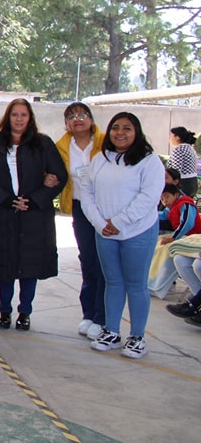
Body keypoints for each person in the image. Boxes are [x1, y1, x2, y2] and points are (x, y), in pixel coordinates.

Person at [78, 112, 164, 359]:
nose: (120, 133)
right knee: (113, 282)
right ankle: (112, 331)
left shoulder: (149, 161)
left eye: (127, 128)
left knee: (136, 285)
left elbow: (149, 197)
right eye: (115, 127)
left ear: (136, 132)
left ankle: (137, 337)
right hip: (104, 232)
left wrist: (119, 222)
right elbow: (86, 192)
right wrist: (99, 222)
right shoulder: (100, 159)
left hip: (137, 232)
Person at [0, 98, 66, 331]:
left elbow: (59, 176)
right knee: (6, 266)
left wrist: (35, 200)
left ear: (30, 118)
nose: (18, 119)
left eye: (23, 115)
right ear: (8, 117)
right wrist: (6, 199)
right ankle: (4, 311)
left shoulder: (43, 144)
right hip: (3, 215)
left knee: (29, 265)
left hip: (34, 217)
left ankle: (25, 312)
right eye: (14, 114)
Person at [54, 102, 106, 339]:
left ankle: (102, 317)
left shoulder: (105, 142)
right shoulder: (62, 146)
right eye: (72, 116)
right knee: (87, 260)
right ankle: (88, 314)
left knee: (105, 262)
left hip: (106, 208)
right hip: (80, 208)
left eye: (83, 114)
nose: (78, 119)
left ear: (91, 119)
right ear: (66, 124)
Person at [148, 183, 201, 298]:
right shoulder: (170, 208)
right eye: (162, 199)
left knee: (168, 250)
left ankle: (159, 284)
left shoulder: (185, 204)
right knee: (159, 248)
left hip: (193, 238)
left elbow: (187, 223)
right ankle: (196, 296)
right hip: (183, 238)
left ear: (176, 195)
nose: (164, 201)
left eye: (167, 197)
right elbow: (161, 216)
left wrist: (173, 238)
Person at [167, 126, 198, 198]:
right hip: (193, 182)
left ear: (177, 137)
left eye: (171, 136)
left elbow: (175, 170)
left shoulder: (179, 149)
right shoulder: (189, 147)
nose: (169, 139)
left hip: (183, 184)